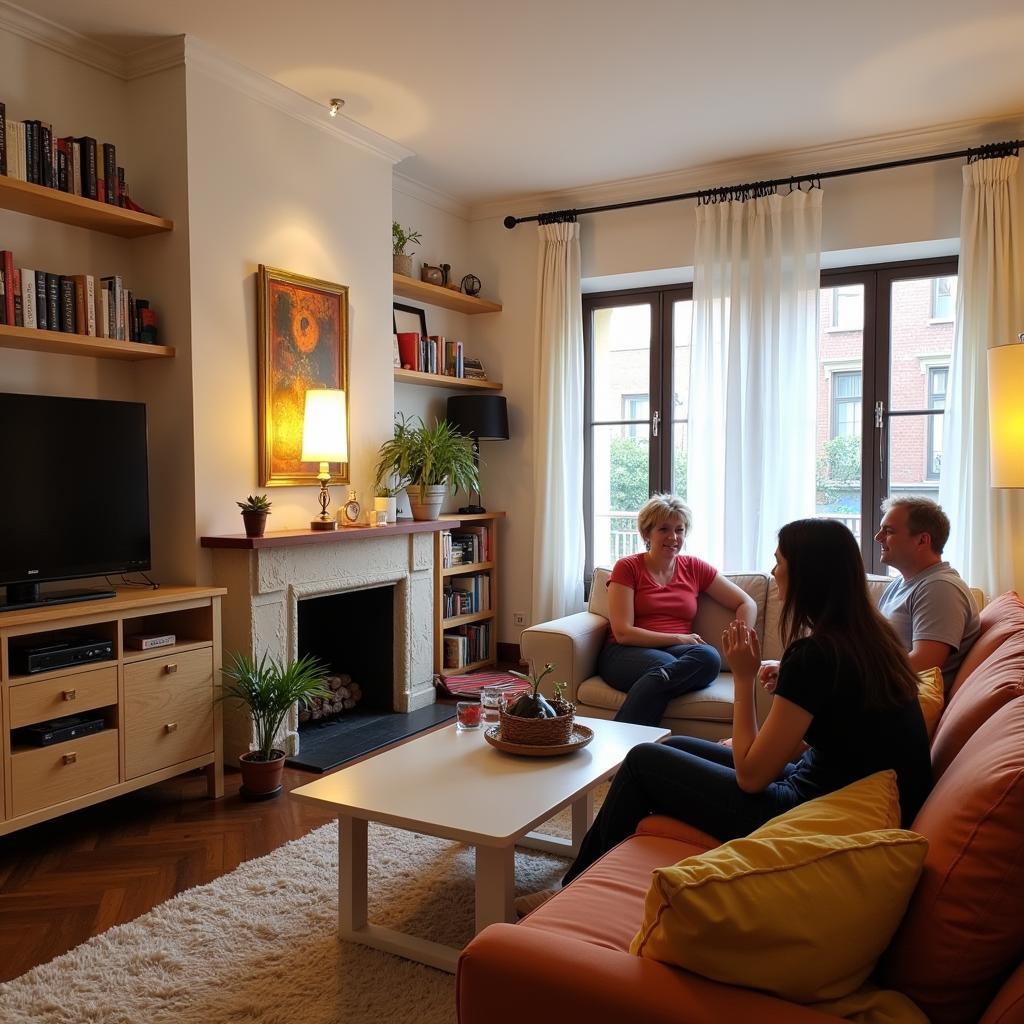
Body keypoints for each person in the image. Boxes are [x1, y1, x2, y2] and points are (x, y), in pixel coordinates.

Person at [515, 518, 931, 916]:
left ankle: (570, 891)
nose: (774, 571)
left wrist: (744, 678)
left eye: (780, 562)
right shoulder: (872, 638)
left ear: (807, 575)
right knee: (671, 745)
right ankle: (598, 877)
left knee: (643, 762)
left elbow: (751, 777)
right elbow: (846, 728)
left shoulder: (818, 654)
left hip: (800, 808)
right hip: (821, 787)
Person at [598, 494, 757, 726]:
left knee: (709, 657)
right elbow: (623, 632)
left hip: (675, 654)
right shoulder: (628, 567)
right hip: (624, 653)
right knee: (665, 665)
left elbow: (746, 602)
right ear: (646, 534)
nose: (673, 537)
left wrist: (740, 640)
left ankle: (630, 743)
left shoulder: (693, 567)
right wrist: (679, 638)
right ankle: (629, 746)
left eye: (680, 530)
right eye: (664, 529)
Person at [874, 496, 980, 693]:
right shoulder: (900, 583)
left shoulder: (940, 589)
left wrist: (856, 672)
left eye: (888, 531)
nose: (878, 537)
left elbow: (924, 664)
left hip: (897, 701)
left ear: (922, 540)